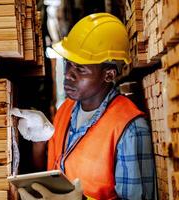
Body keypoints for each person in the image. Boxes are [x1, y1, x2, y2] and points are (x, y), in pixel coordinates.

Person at [15, 13, 156, 200]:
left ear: (109, 75)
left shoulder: (130, 128)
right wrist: (39, 142)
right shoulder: (65, 110)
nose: (68, 75)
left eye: (80, 69)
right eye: (68, 64)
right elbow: (50, 175)